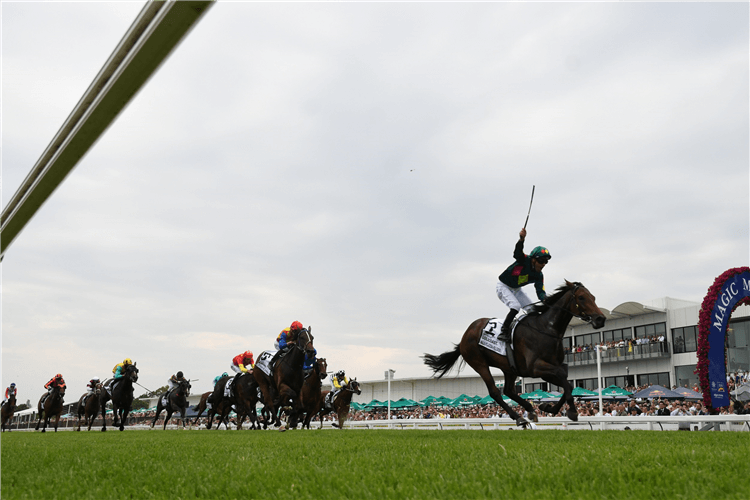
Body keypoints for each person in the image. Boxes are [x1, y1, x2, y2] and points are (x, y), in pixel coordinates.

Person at [496, 228, 551, 342]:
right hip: (503, 286)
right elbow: (517, 252)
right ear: (534, 260)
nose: (543, 264)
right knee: (515, 306)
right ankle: (503, 331)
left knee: (532, 310)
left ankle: (529, 332)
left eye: (546, 261)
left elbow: (540, 291)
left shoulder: (539, 275)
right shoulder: (524, 260)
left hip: (516, 290)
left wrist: (545, 300)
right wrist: (521, 239)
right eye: (541, 261)